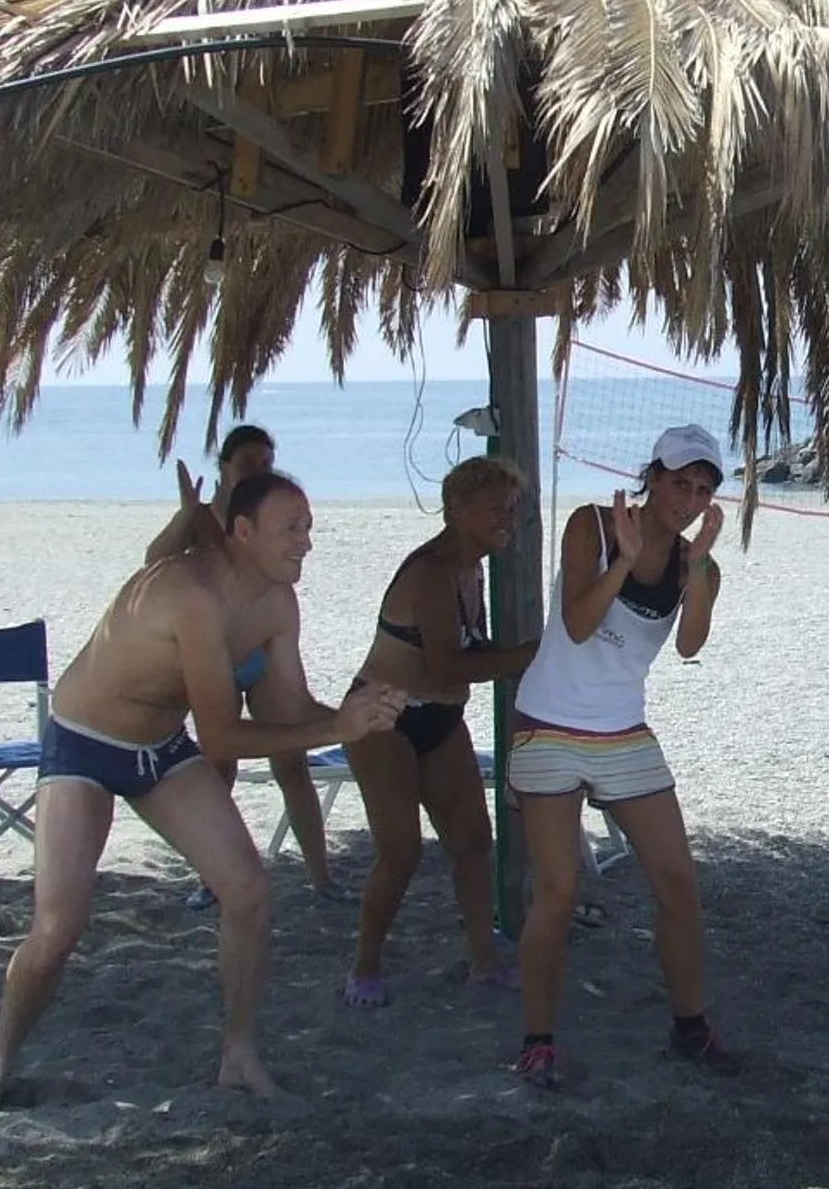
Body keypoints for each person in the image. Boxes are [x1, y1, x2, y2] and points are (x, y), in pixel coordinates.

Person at [0, 472, 402, 1106]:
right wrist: (337, 725)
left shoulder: (277, 602)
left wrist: (359, 713)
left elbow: (286, 710)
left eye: (310, 526)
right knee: (59, 927)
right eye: (292, 528)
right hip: (84, 742)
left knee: (249, 891)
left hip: (161, 748)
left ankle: (239, 1056)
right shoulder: (192, 594)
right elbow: (223, 739)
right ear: (242, 532)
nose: (306, 542)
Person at [505, 425, 729, 1090]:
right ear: (652, 476)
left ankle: (692, 1027)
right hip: (548, 722)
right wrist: (625, 562)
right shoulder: (593, 528)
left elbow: (690, 645)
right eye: (678, 482)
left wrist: (698, 572)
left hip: (622, 731)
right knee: (558, 891)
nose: (687, 499)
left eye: (702, 489)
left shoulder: (699, 559)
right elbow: (575, 624)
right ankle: (538, 1040)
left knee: (678, 881)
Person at [340, 455, 538, 1005]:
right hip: (382, 716)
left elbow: (468, 658)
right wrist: (525, 656)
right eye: (495, 507)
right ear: (456, 509)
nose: (507, 517)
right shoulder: (431, 571)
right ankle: (365, 964)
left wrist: (530, 655)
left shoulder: (472, 569)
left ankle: (483, 960)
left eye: (513, 508)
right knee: (400, 852)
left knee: (474, 844)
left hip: (441, 717)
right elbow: (449, 664)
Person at [145, 423, 338, 900]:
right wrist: (186, 514)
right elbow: (153, 562)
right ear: (225, 467)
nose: (257, 471)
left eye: (266, 464)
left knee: (290, 760)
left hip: (262, 648)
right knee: (221, 762)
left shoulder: (275, 518)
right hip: (216, 656)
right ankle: (213, 876)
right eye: (248, 464)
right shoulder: (208, 517)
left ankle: (322, 876)